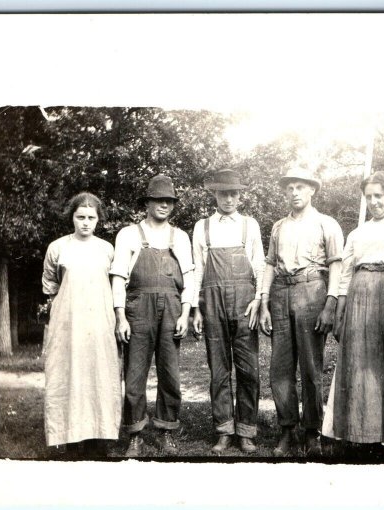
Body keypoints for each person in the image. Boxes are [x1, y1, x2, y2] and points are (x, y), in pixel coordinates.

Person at [322, 171, 384, 454]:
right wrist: (340, 312)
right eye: (369, 197)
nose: (375, 202)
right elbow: (344, 276)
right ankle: (359, 431)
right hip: (360, 297)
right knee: (360, 363)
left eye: (380, 196)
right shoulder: (357, 233)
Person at [258, 167, 344, 457]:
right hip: (281, 291)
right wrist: (264, 302)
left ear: (311, 190)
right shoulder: (278, 226)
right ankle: (287, 429)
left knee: (310, 366)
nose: (294, 192)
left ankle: (311, 431)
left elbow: (336, 265)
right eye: (289, 188)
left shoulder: (326, 223)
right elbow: (270, 264)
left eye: (299, 187)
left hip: (312, 290)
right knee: (280, 368)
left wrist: (330, 303)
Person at [110, 174, 195, 457]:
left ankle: (167, 430)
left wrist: (185, 313)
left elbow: (189, 278)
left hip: (171, 307)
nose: (164, 205)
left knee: (170, 373)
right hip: (138, 308)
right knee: (134, 373)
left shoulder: (180, 236)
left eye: (169, 201)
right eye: (159, 200)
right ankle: (134, 433)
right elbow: (119, 276)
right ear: (147, 202)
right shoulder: (129, 234)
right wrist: (121, 316)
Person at [41, 192, 122, 458]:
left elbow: (116, 286)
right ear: (72, 217)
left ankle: (98, 439)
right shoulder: (58, 247)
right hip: (68, 321)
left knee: (99, 373)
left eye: (91, 217)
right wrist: (59, 314)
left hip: (100, 320)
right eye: (80, 217)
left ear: (98, 220)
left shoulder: (106, 249)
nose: (85, 222)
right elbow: (51, 285)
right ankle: (70, 439)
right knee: (68, 374)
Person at [190, 169, 264, 455]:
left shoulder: (249, 225)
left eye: (234, 193)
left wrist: (258, 299)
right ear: (215, 195)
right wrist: (196, 308)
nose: (229, 199)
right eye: (224, 193)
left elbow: (259, 264)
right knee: (219, 369)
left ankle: (246, 431)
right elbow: (197, 268)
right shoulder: (202, 227)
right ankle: (223, 430)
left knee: (248, 369)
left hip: (245, 302)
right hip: (212, 301)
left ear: (239, 195)